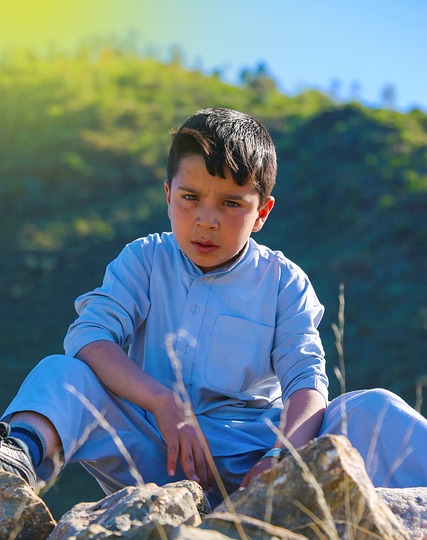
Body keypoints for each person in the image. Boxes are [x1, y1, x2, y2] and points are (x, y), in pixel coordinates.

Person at [1, 107, 426, 508]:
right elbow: (90, 337)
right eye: (190, 197)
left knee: (373, 408)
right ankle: (12, 468)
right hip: (152, 453)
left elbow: (308, 382)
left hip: (254, 464)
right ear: (168, 195)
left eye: (230, 203)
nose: (207, 220)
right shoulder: (143, 259)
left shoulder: (284, 281)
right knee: (62, 372)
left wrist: (281, 458)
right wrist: (162, 402)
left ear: (261, 213)